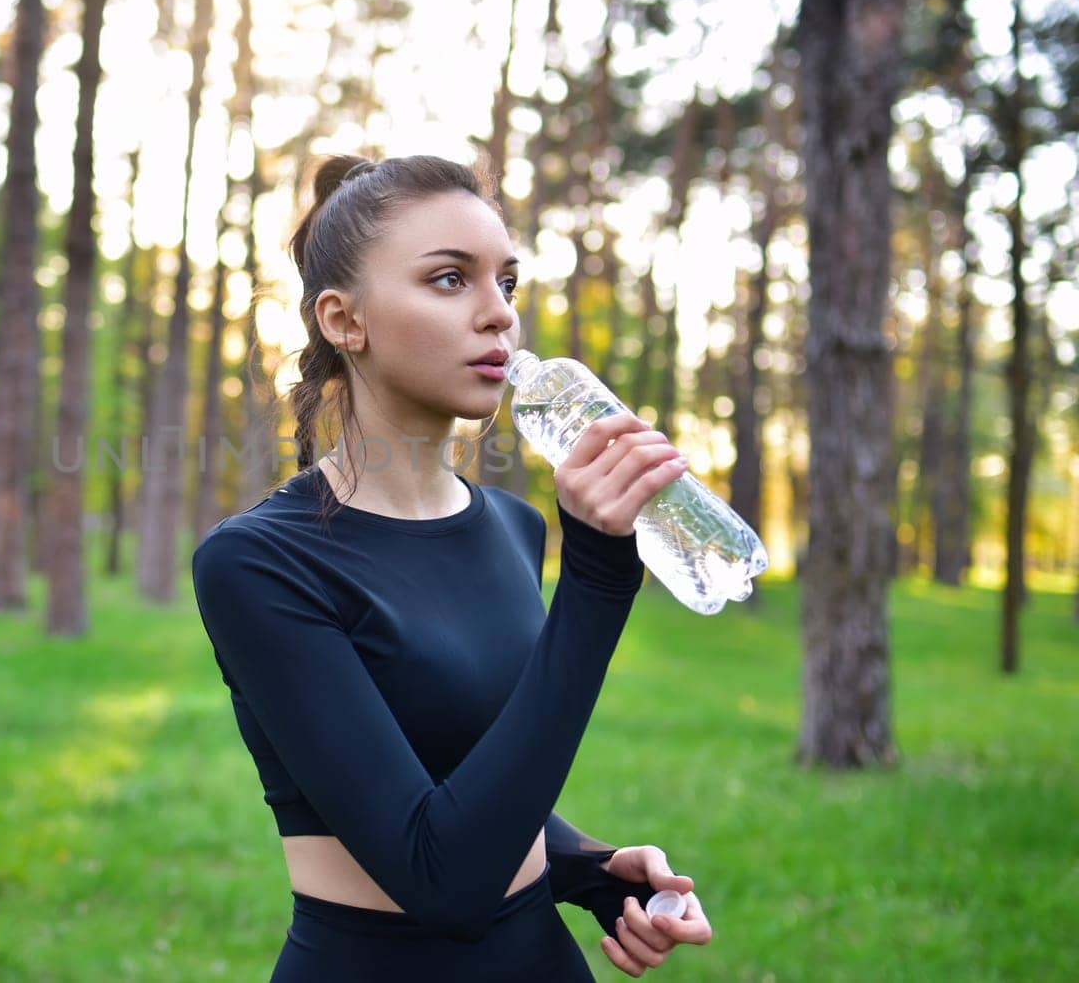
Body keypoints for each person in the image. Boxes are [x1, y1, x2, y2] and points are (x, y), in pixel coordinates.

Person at [190, 153, 713, 981]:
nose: (498, 315)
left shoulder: (510, 525)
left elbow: (463, 773)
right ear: (343, 320)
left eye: (507, 282)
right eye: (448, 280)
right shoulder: (260, 562)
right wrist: (600, 585)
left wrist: (583, 867)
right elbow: (443, 880)